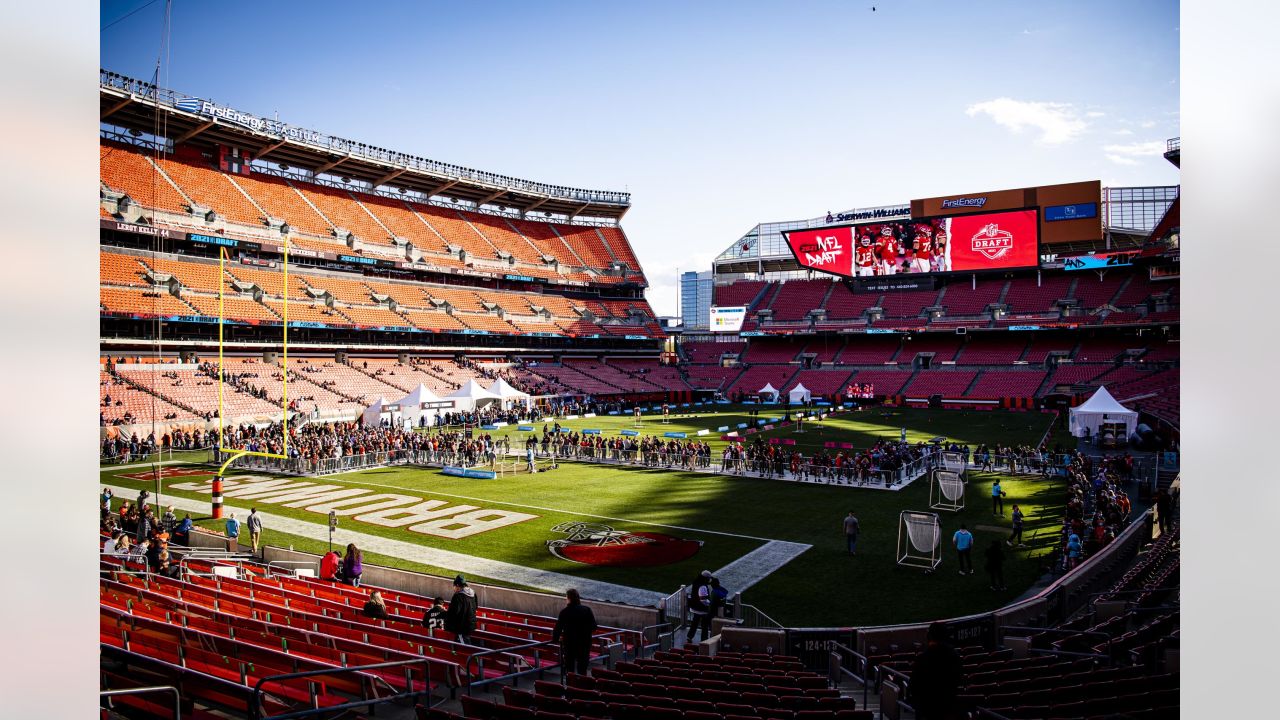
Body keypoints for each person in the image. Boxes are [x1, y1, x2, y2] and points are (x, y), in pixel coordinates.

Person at [907, 623, 965, 720]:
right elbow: (958, 679)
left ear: (929, 636)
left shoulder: (923, 658)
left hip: (928, 708)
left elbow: (913, 686)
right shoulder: (954, 655)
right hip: (948, 705)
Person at [552, 588, 597, 676]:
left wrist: (556, 639)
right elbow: (594, 627)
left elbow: (557, 629)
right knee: (582, 669)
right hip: (584, 643)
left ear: (568, 598)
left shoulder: (564, 612)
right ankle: (582, 687)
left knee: (570, 669)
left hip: (569, 644)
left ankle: (571, 687)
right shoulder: (587, 610)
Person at [445, 575, 478, 645]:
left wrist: (447, 625)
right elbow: (475, 607)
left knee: (464, 646)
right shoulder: (473, 593)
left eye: (454, 586)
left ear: (457, 585)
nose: (453, 589)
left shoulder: (458, 596)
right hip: (471, 624)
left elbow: (453, 613)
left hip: (462, 627)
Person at [686, 570, 713, 644]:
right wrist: (710, 604)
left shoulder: (696, 583)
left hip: (695, 608)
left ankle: (689, 636)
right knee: (704, 626)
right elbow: (703, 599)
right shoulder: (702, 586)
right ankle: (704, 640)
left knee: (694, 624)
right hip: (702, 609)